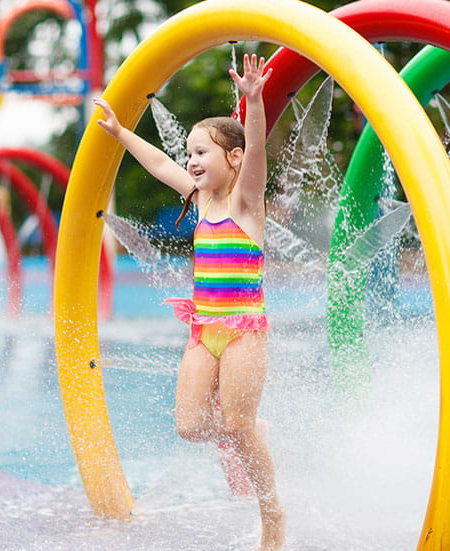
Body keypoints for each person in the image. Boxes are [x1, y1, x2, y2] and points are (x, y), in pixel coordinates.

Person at [92, 54, 284, 550]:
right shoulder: (201, 200)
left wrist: (254, 101)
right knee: (190, 425)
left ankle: (272, 514)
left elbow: (257, 151)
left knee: (236, 425)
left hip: (243, 331)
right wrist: (121, 133)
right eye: (190, 153)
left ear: (233, 159)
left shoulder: (245, 204)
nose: (192, 161)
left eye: (202, 152)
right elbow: (160, 164)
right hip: (203, 331)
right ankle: (251, 428)